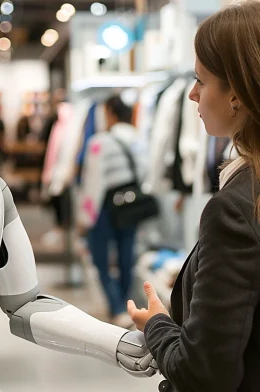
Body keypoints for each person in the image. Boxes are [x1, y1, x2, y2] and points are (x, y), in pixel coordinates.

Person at [127, 2, 260, 391]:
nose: (191, 94)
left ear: (234, 92)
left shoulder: (236, 209)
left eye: (201, 80)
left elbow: (205, 373)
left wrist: (157, 326)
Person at [78, 95, 142, 328]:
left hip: (105, 208)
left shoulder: (99, 141)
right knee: (127, 257)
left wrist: (85, 217)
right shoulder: (138, 138)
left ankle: (116, 307)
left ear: (111, 113)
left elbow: (93, 182)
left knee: (100, 259)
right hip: (131, 205)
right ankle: (127, 307)